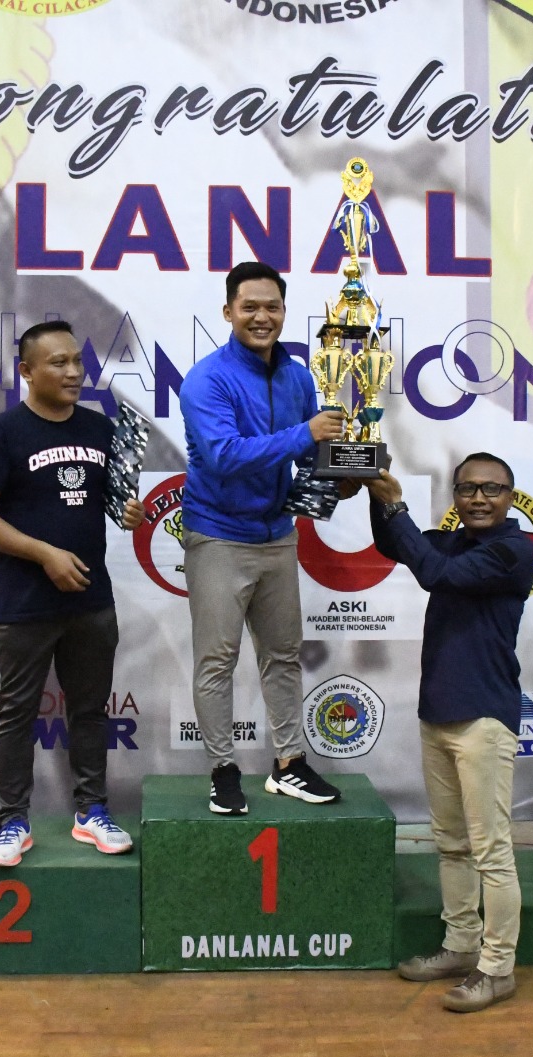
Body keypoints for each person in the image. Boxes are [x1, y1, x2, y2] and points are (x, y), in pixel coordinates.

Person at [0, 320, 144, 866]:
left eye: (77, 361)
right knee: (17, 712)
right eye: (58, 363)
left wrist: (128, 511)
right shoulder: (0, 434)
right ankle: (12, 820)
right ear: (26, 371)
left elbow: (109, 503)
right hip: (26, 603)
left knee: (90, 711)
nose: (72, 372)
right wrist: (44, 554)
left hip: (91, 599)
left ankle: (91, 812)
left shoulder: (101, 429)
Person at [368, 454, 533, 1013]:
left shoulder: (515, 548)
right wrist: (371, 489)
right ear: (456, 496)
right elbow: (395, 545)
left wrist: (395, 504)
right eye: (467, 489)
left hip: (484, 717)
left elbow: (435, 574)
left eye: (491, 488)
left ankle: (498, 968)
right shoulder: (454, 541)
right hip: (438, 712)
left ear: (510, 496)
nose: (479, 498)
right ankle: (462, 945)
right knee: (452, 843)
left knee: (491, 851)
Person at [178, 261, 349, 815]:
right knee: (216, 661)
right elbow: (223, 456)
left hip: (278, 535)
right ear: (228, 311)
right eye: (249, 306)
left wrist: (340, 474)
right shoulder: (206, 380)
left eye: (271, 306)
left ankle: (289, 764)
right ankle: (222, 770)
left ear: (283, 311)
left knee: (283, 656)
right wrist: (306, 434)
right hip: (218, 537)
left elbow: (309, 453)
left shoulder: (298, 376)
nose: (261, 316)